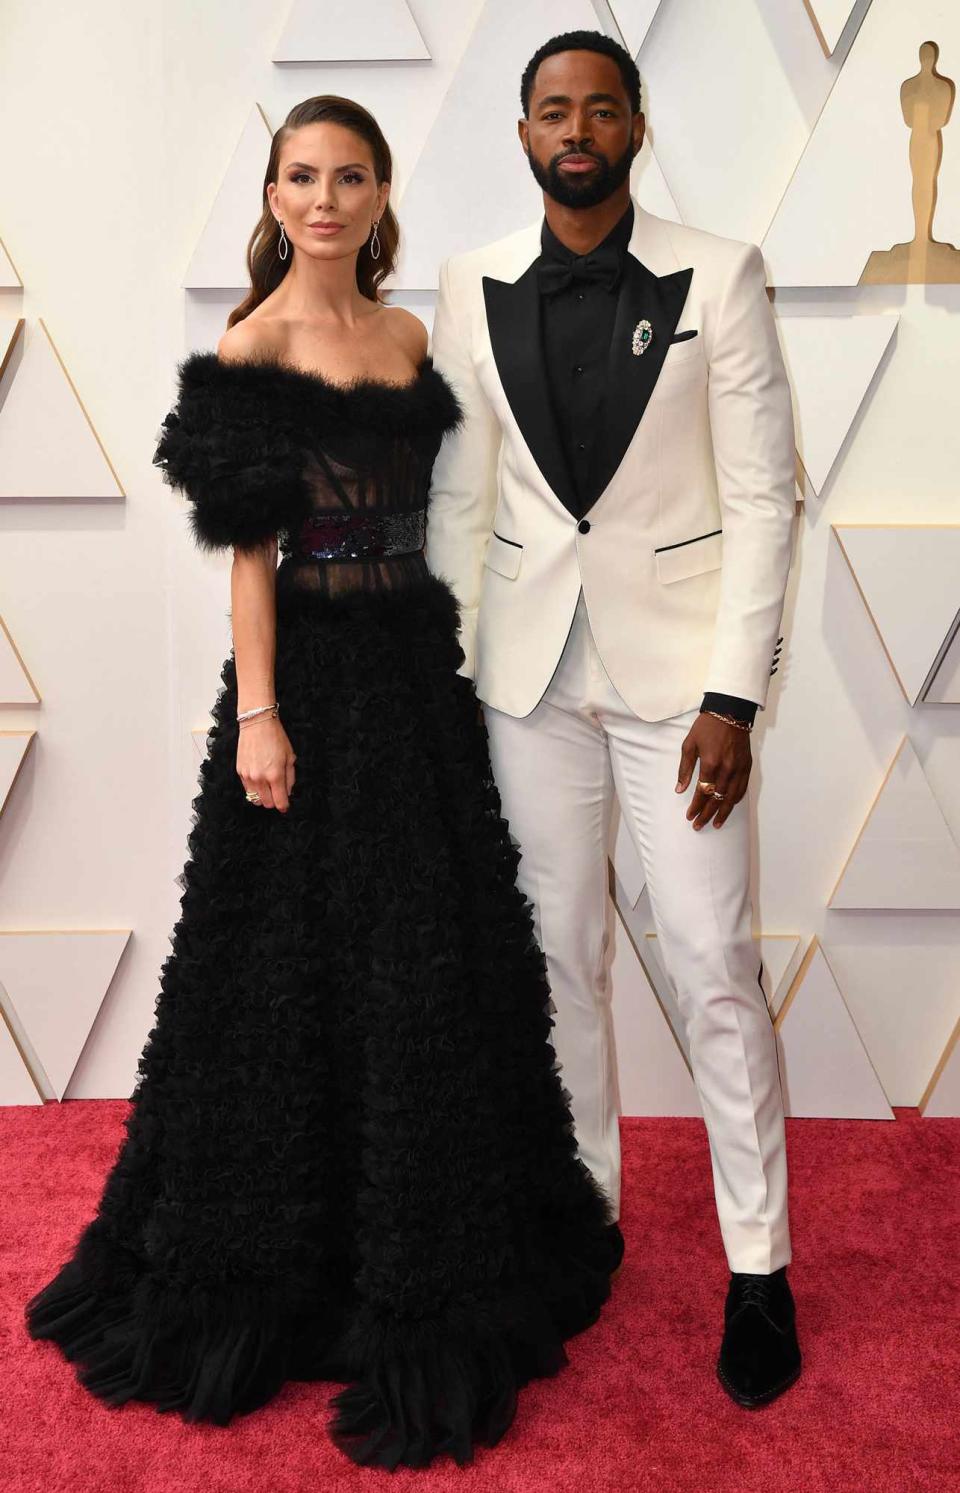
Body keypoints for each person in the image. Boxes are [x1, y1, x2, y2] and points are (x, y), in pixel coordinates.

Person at [23, 94, 621, 1471]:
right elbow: (251, 560)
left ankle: (421, 1236)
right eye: (303, 177)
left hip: (414, 672)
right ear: (276, 195)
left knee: (422, 958)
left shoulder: (409, 335)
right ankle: (278, 1259)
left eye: (350, 176)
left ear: (379, 190)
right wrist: (262, 717)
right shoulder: (254, 344)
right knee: (285, 969)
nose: (327, 199)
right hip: (308, 685)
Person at [425, 31, 802, 1407]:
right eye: (551, 110)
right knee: (556, 963)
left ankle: (759, 1262)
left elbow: (767, 496)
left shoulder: (724, 271)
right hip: (528, 681)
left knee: (709, 958)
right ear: (524, 134)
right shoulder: (469, 284)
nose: (575, 128)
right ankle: (583, 1220)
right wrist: (448, 679)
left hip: (680, 694)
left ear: (637, 125)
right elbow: (465, 499)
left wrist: (733, 694)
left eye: (599, 106)